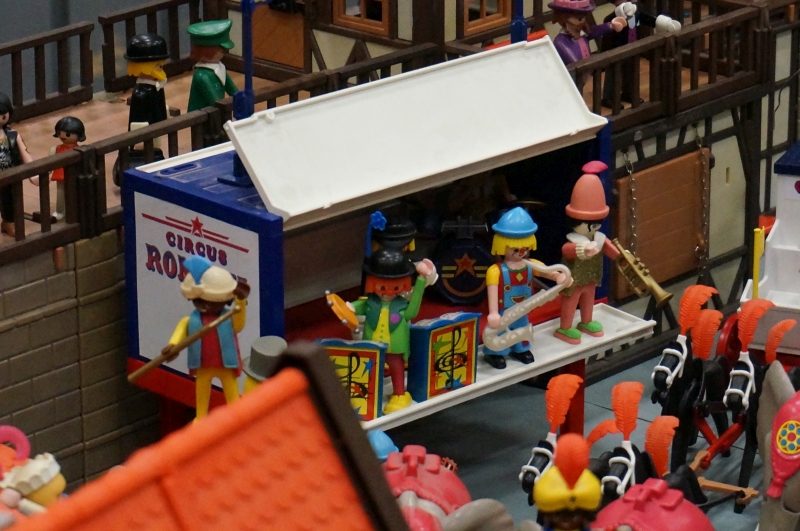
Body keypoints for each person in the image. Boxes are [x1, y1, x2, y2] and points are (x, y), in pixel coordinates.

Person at [347, 249, 438, 413]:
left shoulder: (401, 306)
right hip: (372, 347)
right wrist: (348, 308)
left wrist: (421, 281)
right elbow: (357, 306)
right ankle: (366, 393)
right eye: (382, 287)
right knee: (370, 369)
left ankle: (400, 394)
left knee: (396, 368)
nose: (388, 292)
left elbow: (413, 311)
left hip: (394, 347)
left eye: (395, 287)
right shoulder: (370, 303)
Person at [162, 256, 250, 420]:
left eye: (210, 302)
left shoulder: (227, 319)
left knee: (232, 396)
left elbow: (239, 325)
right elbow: (180, 331)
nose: (204, 306)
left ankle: (238, 418)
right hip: (203, 365)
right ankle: (200, 419)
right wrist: (173, 345)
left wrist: (240, 301)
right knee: (201, 396)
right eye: (199, 301)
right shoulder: (191, 321)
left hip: (225, 364)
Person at [483, 207, 568, 369]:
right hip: (503, 310)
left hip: (523, 307)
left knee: (521, 327)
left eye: (525, 248)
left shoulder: (530, 265)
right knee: (500, 330)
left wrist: (558, 276)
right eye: (516, 249)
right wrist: (493, 313)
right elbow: (492, 291)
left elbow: (546, 271)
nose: (521, 253)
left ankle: (520, 349)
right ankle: (495, 352)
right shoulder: (495, 270)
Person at [555, 161, 620, 345]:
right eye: (589, 224)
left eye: (596, 224)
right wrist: (583, 249)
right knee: (570, 300)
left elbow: (609, 248)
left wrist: (621, 257)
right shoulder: (573, 241)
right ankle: (565, 327)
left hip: (591, 277)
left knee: (588, 299)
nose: (593, 228)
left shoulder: (598, 238)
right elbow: (567, 251)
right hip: (573, 279)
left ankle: (586, 321)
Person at [600, 0, 681, 108]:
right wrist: (605, 55)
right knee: (613, 74)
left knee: (630, 72)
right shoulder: (611, 18)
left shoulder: (636, 13)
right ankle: (609, 98)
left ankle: (628, 93)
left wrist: (663, 23)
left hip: (633, 48)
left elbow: (647, 19)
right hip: (616, 51)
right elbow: (607, 38)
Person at [33, 117, 85, 221]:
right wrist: (46, 173)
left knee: (76, 194)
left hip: (75, 176)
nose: (63, 136)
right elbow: (49, 163)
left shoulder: (79, 150)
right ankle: (60, 211)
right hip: (60, 177)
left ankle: (77, 210)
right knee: (60, 195)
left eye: (68, 134)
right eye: (60, 133)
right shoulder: (55, 149)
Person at [550, 0, 627, 66]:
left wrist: (610, 25)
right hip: (577, 74)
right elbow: (572, 60)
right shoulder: (560, 41)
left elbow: (595, 31)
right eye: (579, 18)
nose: (582, 21)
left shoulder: (583, 33)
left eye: (583, 17)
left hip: (591, 71)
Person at [0, 92, 33, 237]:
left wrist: (33, 172)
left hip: (9, 173)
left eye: (3, 114)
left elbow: (24, 152)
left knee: (10, 199)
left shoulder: (12, 135)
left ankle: (8, 221)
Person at [187, 20, 239, 113]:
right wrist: (226, 108)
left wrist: (240, 98)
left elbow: (231, 88)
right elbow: (215, 100)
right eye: (221, 49)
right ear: (208, 51)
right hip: (201, 116)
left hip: (216, 113)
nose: (224, 52)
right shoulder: (201, 76)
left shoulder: (220, 68)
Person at [125, 33, 170, 129]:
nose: (161, 71)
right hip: (145, 130)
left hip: (159, 127)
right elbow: (137, 118)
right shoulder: (140, 93)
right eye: (159, 67)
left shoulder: (158, 86)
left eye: (161, 66)